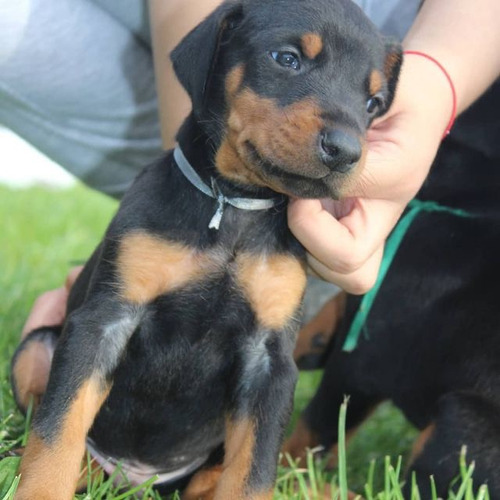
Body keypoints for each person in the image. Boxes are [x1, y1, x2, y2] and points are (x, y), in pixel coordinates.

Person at [1, 0, 499, 337]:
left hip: (423, 36)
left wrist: (430, 97)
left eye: (372, 100)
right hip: (191, 58)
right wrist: (134, 265)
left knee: (261, 324)